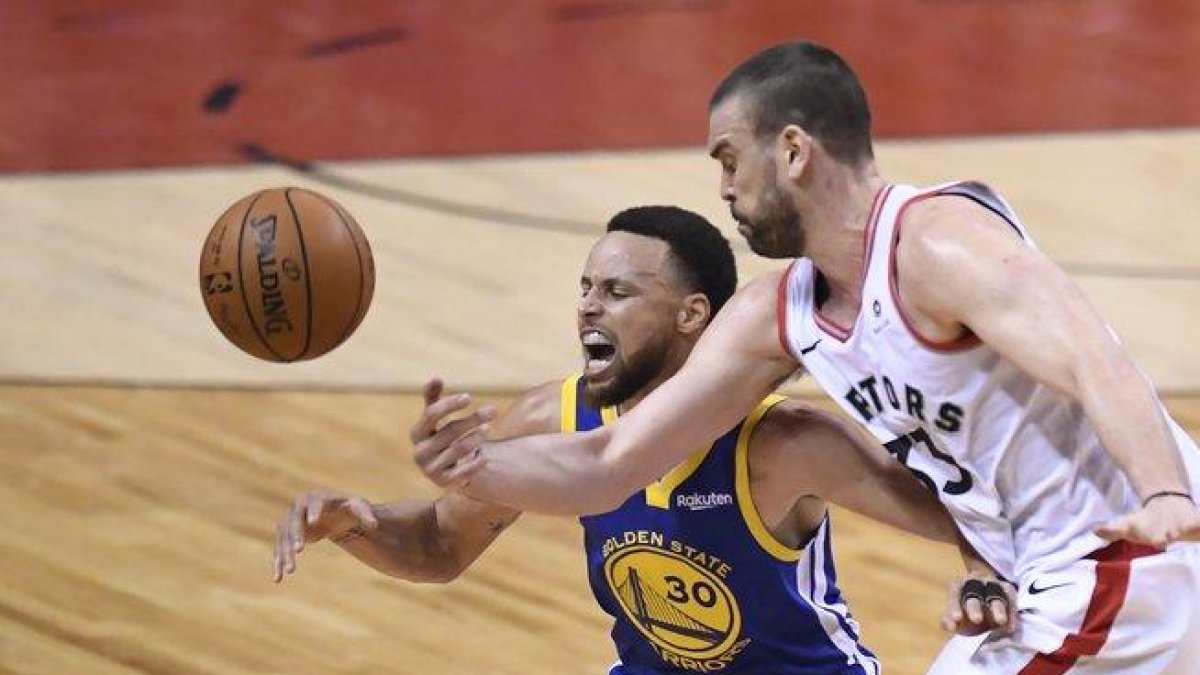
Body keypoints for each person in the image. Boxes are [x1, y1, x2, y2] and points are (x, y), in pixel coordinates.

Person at [423, 43, 1200, 673]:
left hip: (1124, 552)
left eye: (730, 160)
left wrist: (1164, 491)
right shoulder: (780, 313)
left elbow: (1096, 361)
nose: (723, 188)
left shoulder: (936, 245)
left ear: (793, 151)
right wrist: (477, 464)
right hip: (1061, 576)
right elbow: (612, 460)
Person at [272, 206, 1009, 674]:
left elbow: (961, 510)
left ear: (693, 315)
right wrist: (356, 523)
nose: (588, 307)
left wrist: (979, 568)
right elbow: (438, 545)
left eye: (617, 292)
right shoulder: (552, 417)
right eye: (585, 288)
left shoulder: (781, 444)